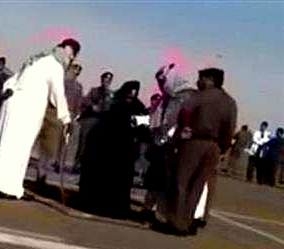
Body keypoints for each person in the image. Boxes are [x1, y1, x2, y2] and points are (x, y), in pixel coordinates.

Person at [0, 38, 81, 199]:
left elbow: (12, 81)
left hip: (14, 103)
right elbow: (58, 94)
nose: (69, 60)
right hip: (26, 109)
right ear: (68, 53)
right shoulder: (54, 65)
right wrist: (66, 119)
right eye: (71, 56)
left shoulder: (37, 58)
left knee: (8, 144)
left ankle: (6, 184)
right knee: (17, 148)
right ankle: (5, 186)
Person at [163, 68, 237, 234]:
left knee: (181, 182)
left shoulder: (199, 96)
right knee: (197, 186)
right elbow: (229, 129)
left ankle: (175, 221)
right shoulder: (230, 102)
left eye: (201, 78)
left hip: (194, 142)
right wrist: (221, 148)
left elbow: (184, 114)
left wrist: (181, 134)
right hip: (214, 147)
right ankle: (187, 223)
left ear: (210, 79)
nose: (198, 81)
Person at [78, 80, 147, 219]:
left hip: (125, 150)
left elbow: (143, 128)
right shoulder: (114, 102)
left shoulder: (139, 107)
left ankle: (117, 209)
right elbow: (104, 121)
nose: (131, 96)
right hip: (106, 148)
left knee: (120, 182)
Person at [144, 64, 197, 213]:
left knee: (164, 179)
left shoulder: (183, 98)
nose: (161, 86)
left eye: (162, 82)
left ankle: (159, 210)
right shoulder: (171, 98)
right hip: (166, 143)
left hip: (171, 144)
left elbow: (171, 123)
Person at [72, 71, 114, 173]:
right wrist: (92, 106)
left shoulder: (111, 95)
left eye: (108, 80)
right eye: (104, 79)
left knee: (96, 146)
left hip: (102, 122)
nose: (106, 81)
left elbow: (110, 109)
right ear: (102, 79)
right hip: (90, 119)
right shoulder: (94, 91)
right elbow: (86, 101)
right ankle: (77, 164)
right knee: (83, 144)